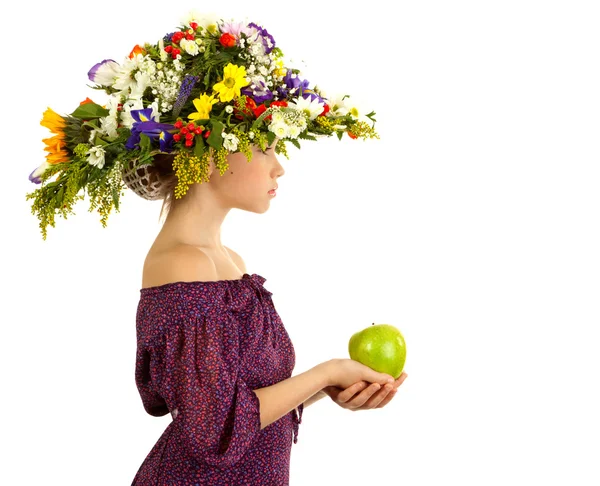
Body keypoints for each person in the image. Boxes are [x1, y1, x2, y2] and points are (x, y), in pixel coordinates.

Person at [27, 10, 407, 485]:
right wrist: (325, 370)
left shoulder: (227, 264)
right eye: (266, 146)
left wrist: (328, 385)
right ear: (207, 155)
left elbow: (239, 404)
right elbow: (214, 429)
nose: (278, 168)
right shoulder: (181, 265)